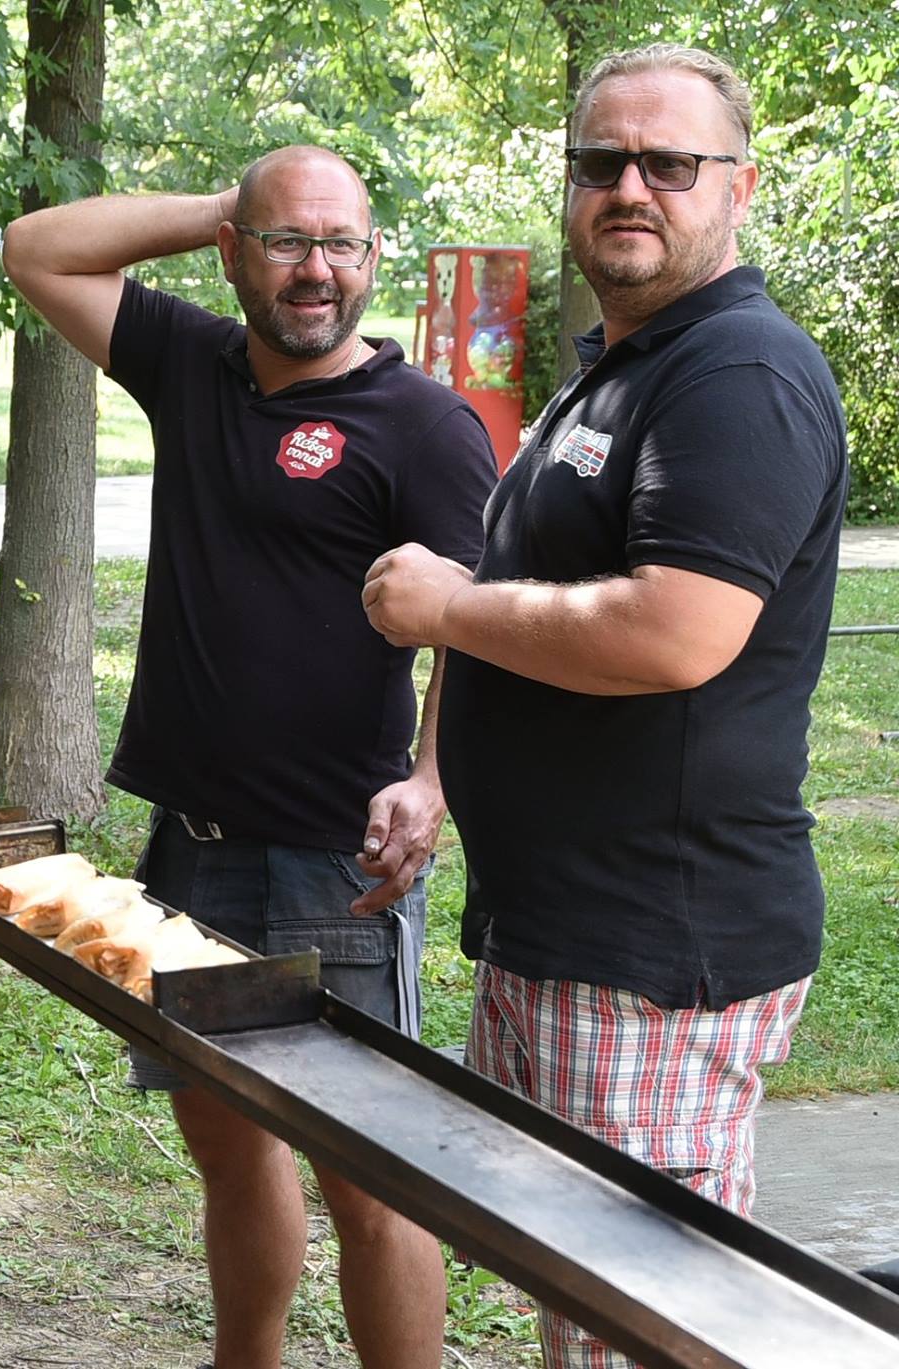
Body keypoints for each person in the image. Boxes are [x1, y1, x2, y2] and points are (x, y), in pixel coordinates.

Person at [361, 44, 848, 1369]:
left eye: (669, 163)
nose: (629, 186)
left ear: (738, 185)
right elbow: (529, 597)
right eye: (600, 161)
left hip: (654, 953)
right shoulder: (620, 365)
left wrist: (446, 606)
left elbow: (672, 632)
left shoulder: (737, 375)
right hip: (561, 933)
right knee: (579, 1307)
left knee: (646, 1329)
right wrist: (437, 772)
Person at [2, 146, 497, 1369]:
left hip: (335, 861)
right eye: (284, 241)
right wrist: (229, 203)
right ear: (230, 251)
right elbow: (35, 249)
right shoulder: (191, 363)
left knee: (368, 1181)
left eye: (339, 244)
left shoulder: (423, 425)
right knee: (226, 1147)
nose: (315, 270)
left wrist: (431, 780)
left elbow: (473, 627)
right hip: (192, 848)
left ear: (373, 256)